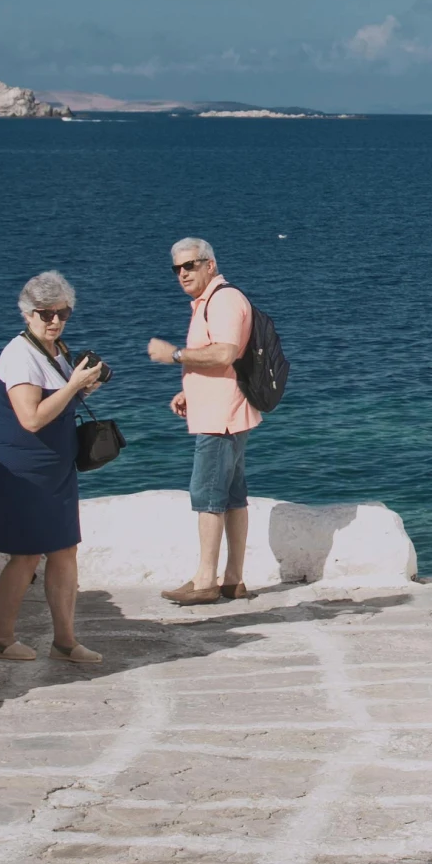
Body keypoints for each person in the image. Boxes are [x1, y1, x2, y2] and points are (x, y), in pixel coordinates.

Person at [0, 271, 105, 664]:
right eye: (45, 314)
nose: (54, 321)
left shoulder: (55, 349)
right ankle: (0, 638)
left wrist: (82, 385)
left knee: (65, 550)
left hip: (56, 467)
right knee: (26, 556)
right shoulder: (19, 355)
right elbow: (31, 418)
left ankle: (65, 641)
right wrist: (71, 388)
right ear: (27, 314)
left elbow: (58, 401)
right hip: (25, 470)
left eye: (62, 313)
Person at [146, 237, 262, 605]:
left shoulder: (223, 300)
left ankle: (204, 581)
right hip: (224, 409)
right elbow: (223, 357)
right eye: (177, 268)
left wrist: (174, 355)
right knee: (231, 496)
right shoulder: (208, 302)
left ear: (209, 265)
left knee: (207, 496)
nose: (182, 274)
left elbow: (225, 352)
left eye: (190, 265)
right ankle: (232, 579)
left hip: (220, 418)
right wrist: (190, 391)